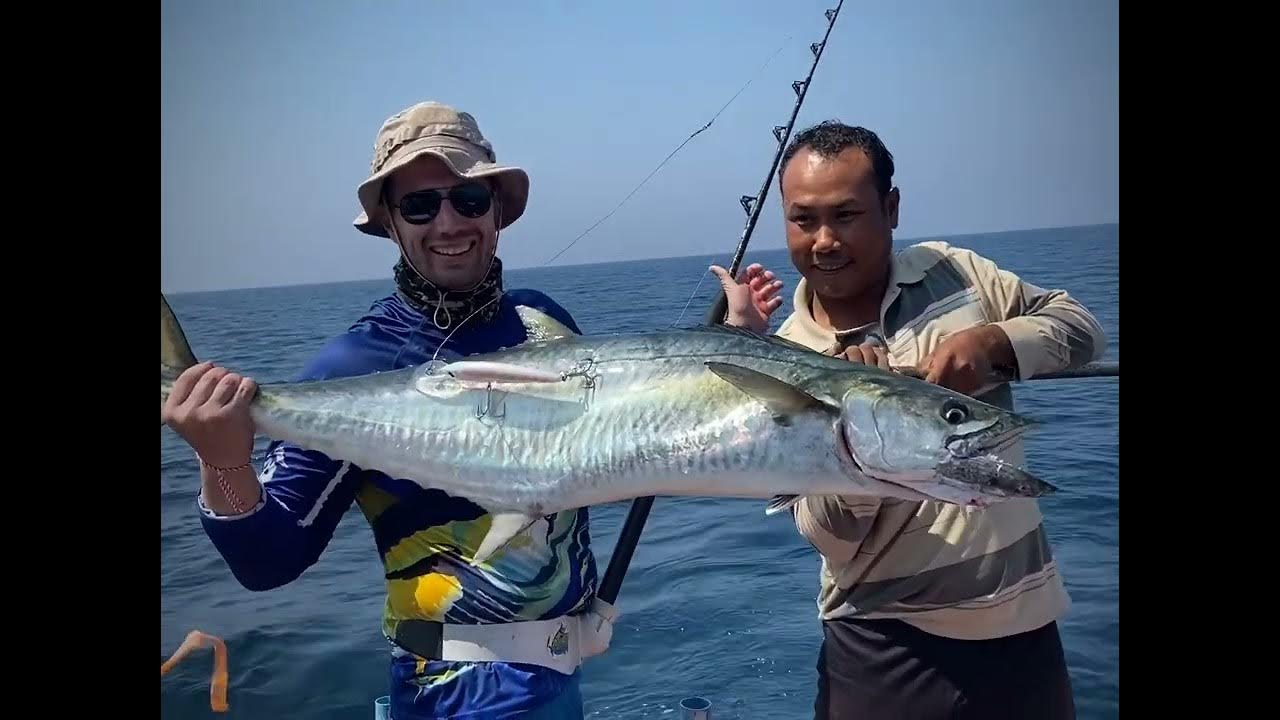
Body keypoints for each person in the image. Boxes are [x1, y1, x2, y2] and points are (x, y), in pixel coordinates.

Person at [161, 101, 614, 719]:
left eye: (468, 199)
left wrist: (732, 342)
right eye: (420, 206)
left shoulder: (544, 324)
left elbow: (632, 436)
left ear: (496, 210)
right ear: (390, 223)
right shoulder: (356, 365)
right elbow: (267, 560)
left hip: (562, 681)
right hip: (450, 693)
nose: (448, 223)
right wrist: (222, 464)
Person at [716, 120, 1106, 720]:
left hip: (1025, 632)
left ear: (891, 208)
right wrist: (855, 451)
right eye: (803, 220)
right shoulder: (784, 360)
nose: (825, 240)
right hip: (881, 651)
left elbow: (1082, 330)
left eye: (846, 215)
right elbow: (829, 538)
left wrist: (995, 344)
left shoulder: (954, 272)